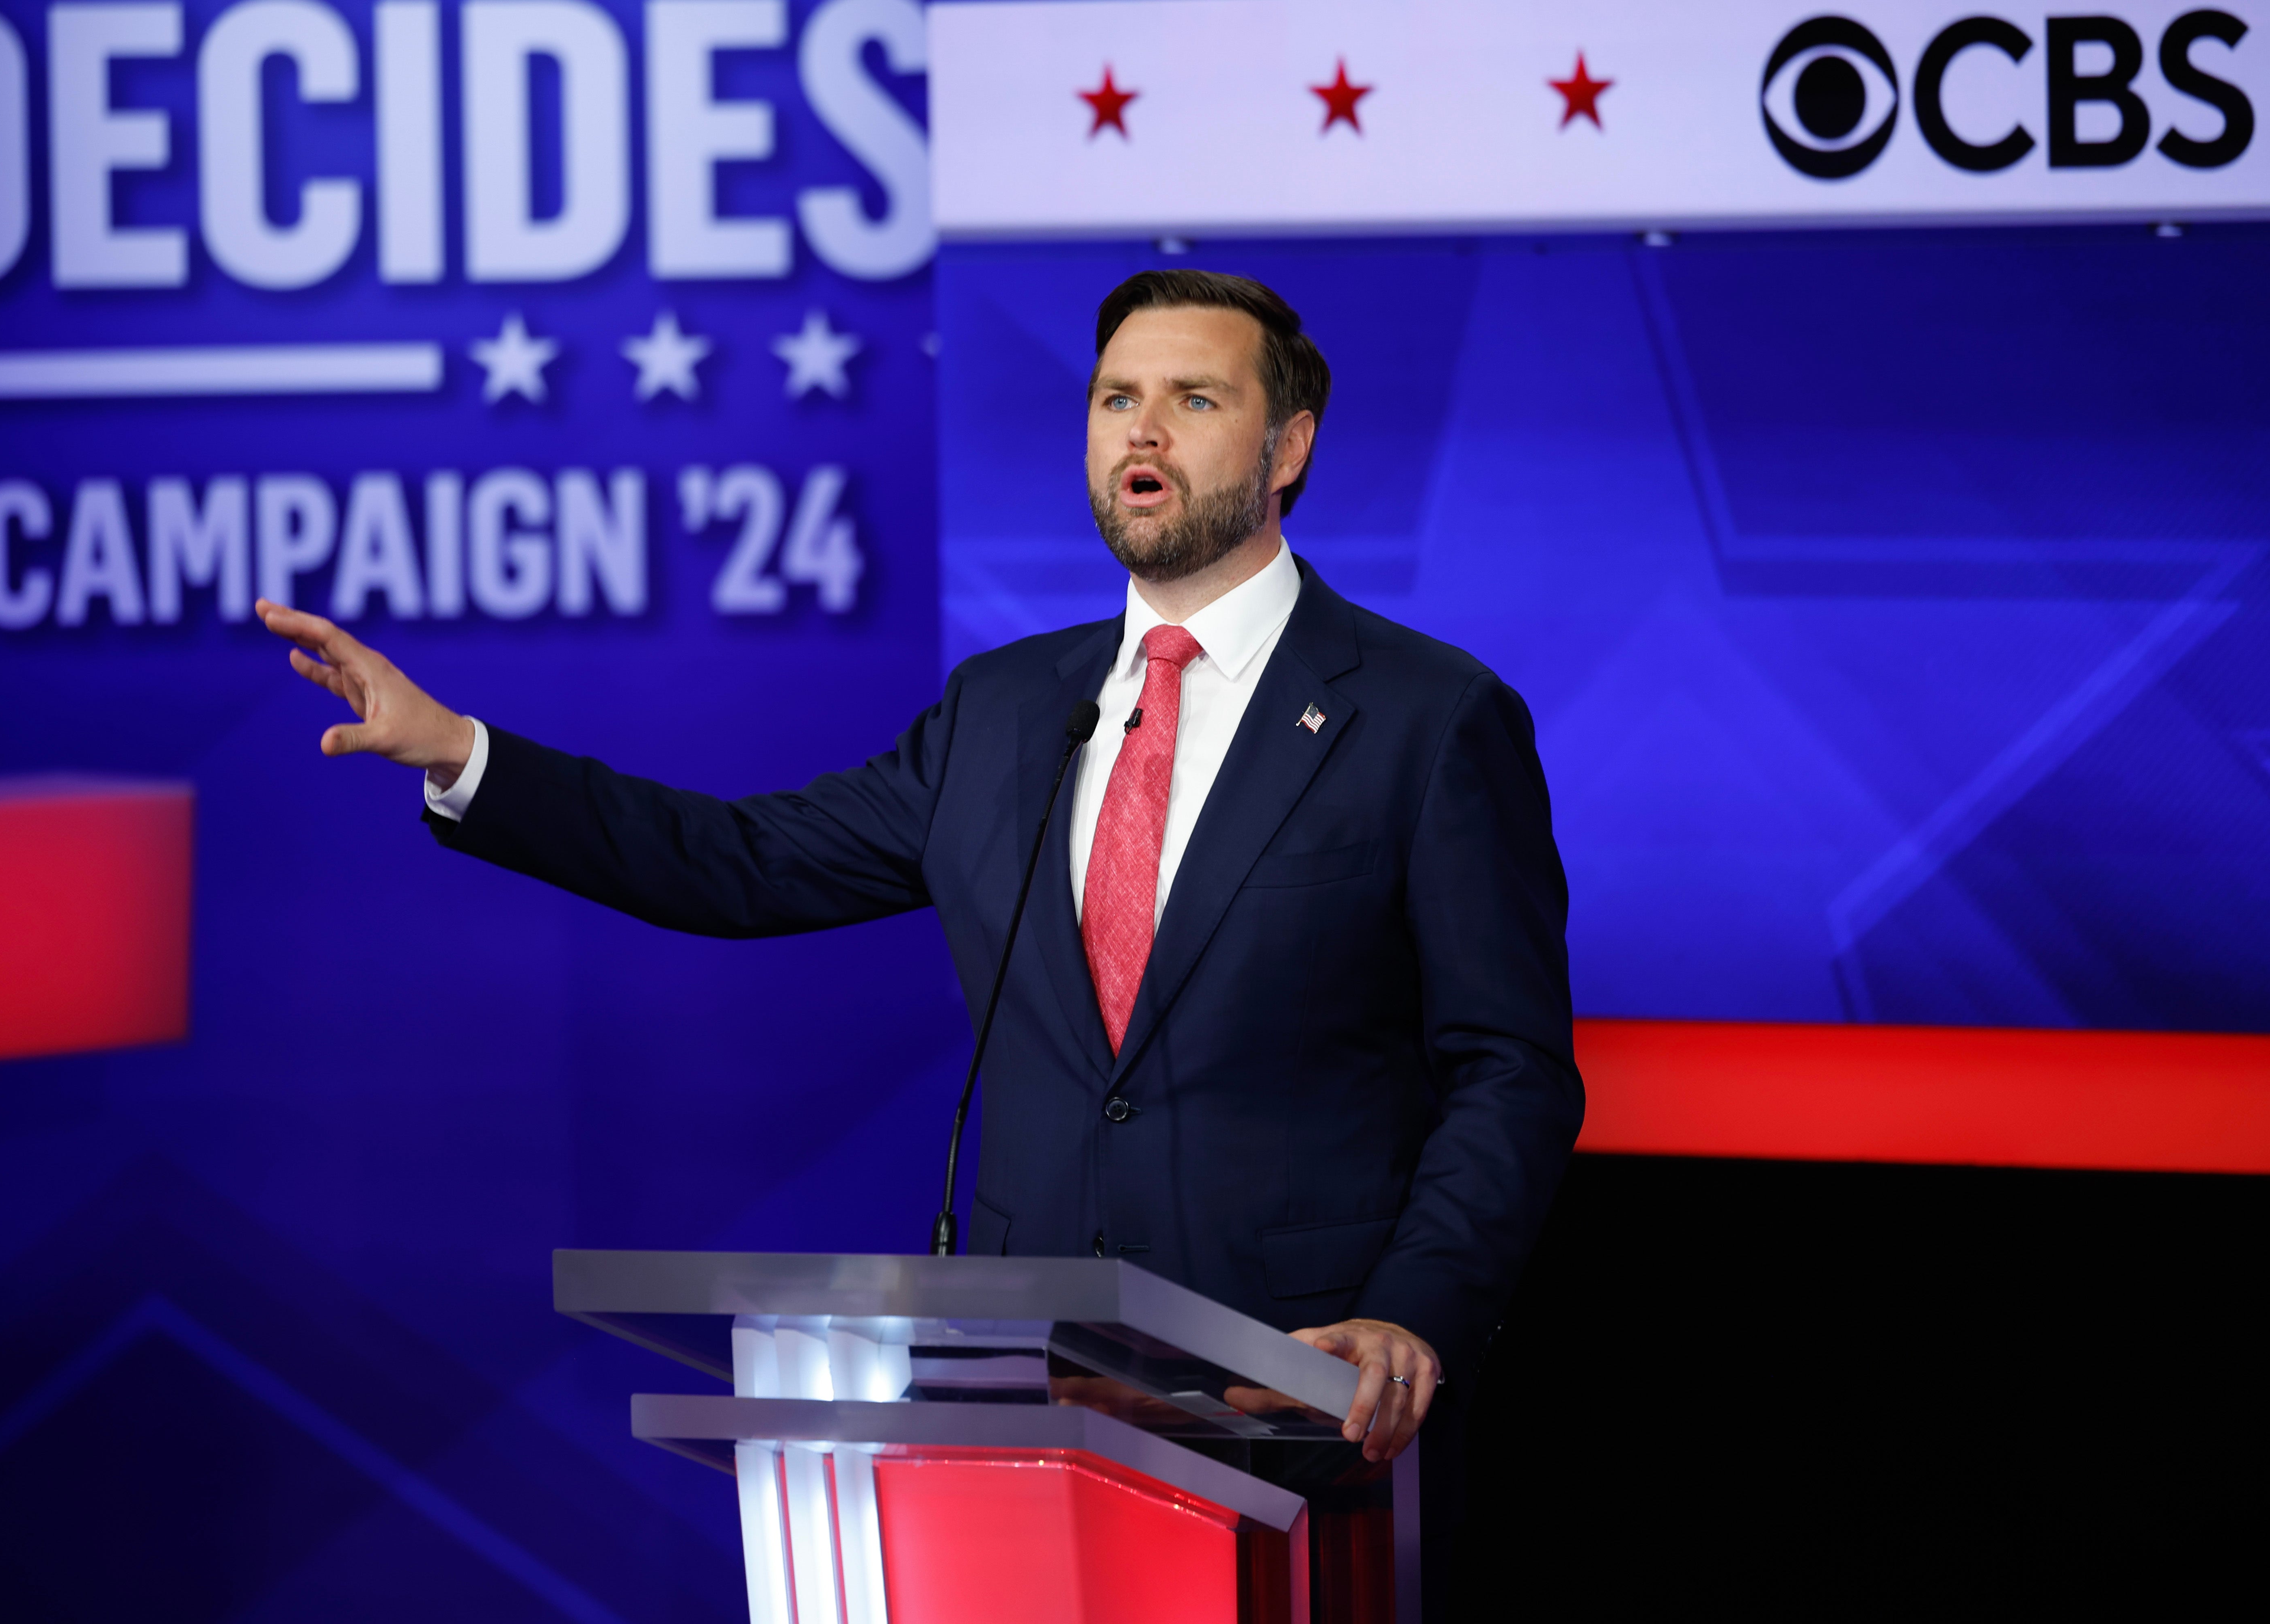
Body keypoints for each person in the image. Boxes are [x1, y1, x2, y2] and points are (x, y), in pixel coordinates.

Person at [258, 269, 1582, 1592]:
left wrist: (1417, 1312)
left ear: (1288, 448)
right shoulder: (1007, 710)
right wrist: (463, 755)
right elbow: (739, 863)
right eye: (1117, 398)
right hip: (1027, 1406)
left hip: (1302, 1413)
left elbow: (1509, 1066)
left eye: (1193, 399)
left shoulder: (1425, 719)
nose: (1143, 432)